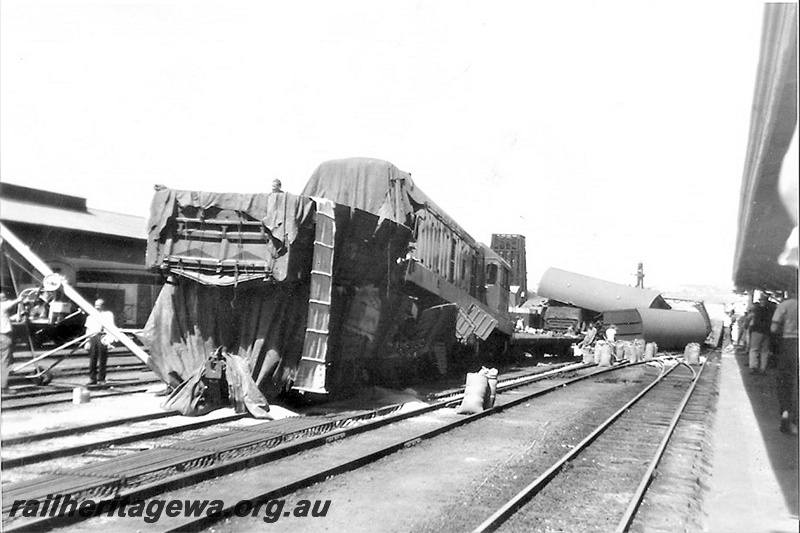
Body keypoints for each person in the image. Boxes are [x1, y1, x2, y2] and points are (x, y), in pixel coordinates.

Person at [771, 289, 798, 434]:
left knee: (784, 381)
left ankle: (785, 412)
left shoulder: (785, 305)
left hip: (789, 344)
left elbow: (774, 328)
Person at [84, 299, 115, 386]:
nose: (97, 307)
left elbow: (111, 328)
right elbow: (88, 329)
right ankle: (92, 378)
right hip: (93, 337)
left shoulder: (108, 315)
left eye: (99, 305)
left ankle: (101, 379)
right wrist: (87, 342)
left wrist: (110, 341)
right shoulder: (90, 316)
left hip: (103, 337)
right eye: (96, 305)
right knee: (92, 359)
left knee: (102, 359)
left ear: (103, 306)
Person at [748, 293, 776, 374]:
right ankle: (762, 368)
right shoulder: (771, 308)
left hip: (757, 330)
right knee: (764, 351)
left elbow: (753, 320)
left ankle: (753, 367)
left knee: (754, 349)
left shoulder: (757, 308)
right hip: (767, 331)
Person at [1, 292, 23, 393]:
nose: (5, 299)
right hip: (3, 336)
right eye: (3, 298)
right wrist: (19, 299)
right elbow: (7, 305)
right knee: (5, 361)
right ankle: (3, 386)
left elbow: (5, 318)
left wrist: (15, 317)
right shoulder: (3, 305)